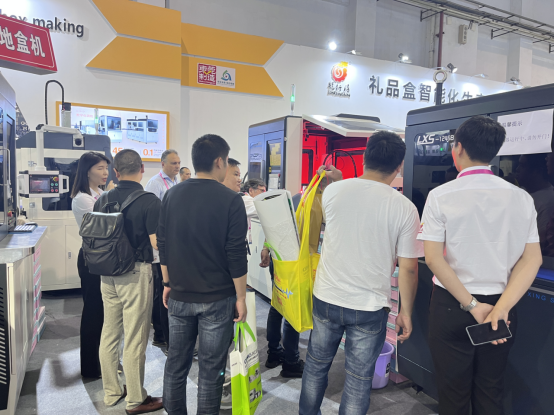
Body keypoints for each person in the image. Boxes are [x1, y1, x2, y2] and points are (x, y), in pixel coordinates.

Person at [419, 116, 543, 415]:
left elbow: (433, 258)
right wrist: (500, 309)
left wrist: (472, 305)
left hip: (452, 304)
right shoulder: (522, 198)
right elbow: (533, 259)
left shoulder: (440, 196)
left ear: (458, 148)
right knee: (491, 389)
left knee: (453, 394)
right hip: (502, 307)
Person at [299, 131, 422, 415]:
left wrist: (339, 179)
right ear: (399, 166)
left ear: (365, 157)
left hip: (327, 297)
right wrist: (405, 312)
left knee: (316, 366)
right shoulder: (405, 208)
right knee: (358, 379)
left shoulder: (333, 191)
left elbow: (351, 208)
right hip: (370, 305)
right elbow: (408, 268)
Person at [159, 134, 248, 415]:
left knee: (176, 364)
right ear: (219, 161)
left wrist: (166, 282)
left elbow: (163, 243)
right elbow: (236, 254)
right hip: (218, 298)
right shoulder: (232, 200)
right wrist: (241, 297)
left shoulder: (172, 194)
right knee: (211, 370)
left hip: (179, 293)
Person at [96, 149, 163, 415]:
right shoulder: (149, 201)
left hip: (107, 273)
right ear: (142, 169)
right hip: (135, 272)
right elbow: (157, 243)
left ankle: (112, 392)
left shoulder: (103, 198)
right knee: (136, 336)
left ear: (115, 172)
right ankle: (136, 398)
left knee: (110, 332)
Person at [71, 151, 113, 379]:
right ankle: (90, 367)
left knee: (104, 313)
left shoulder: (100, 193)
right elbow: (103, 226)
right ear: (87, 171)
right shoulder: (83, 199)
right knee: (93, 312)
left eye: (106, 168)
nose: (105, 172)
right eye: (100, 168)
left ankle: (103, 362)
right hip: (91, 259)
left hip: (103, 258)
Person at [145, 149, 181, 353]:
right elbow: (151, 215)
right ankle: (161, 336)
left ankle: (166, 335)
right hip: (160, 247)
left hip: (173, 244)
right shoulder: (155, 184)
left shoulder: (176, 182)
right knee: (161, 293)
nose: (177, 166)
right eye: (173, 163)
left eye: (178, 163)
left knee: (168, 292)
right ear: (163, 164)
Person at [516, 153, 554, 245]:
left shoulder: (547, 202)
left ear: (536, 171)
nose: (517, 169)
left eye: (522, 166)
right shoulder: (520, 193)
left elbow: (541, 241)